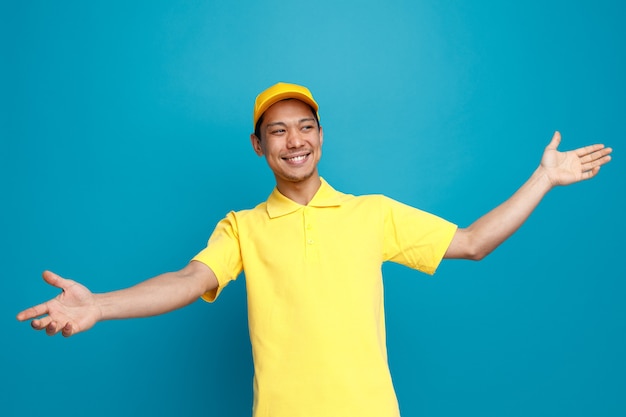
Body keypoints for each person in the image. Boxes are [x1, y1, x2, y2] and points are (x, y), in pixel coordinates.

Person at [17, 83, 613, 417]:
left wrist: (543, 179)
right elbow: (186, 280)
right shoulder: (243, 228)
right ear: (258, 147)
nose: (293, 140)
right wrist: (100, 305)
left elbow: (475, 242)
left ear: (321, 137)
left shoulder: (372, 213)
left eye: (304, 126)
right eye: (277, 131)